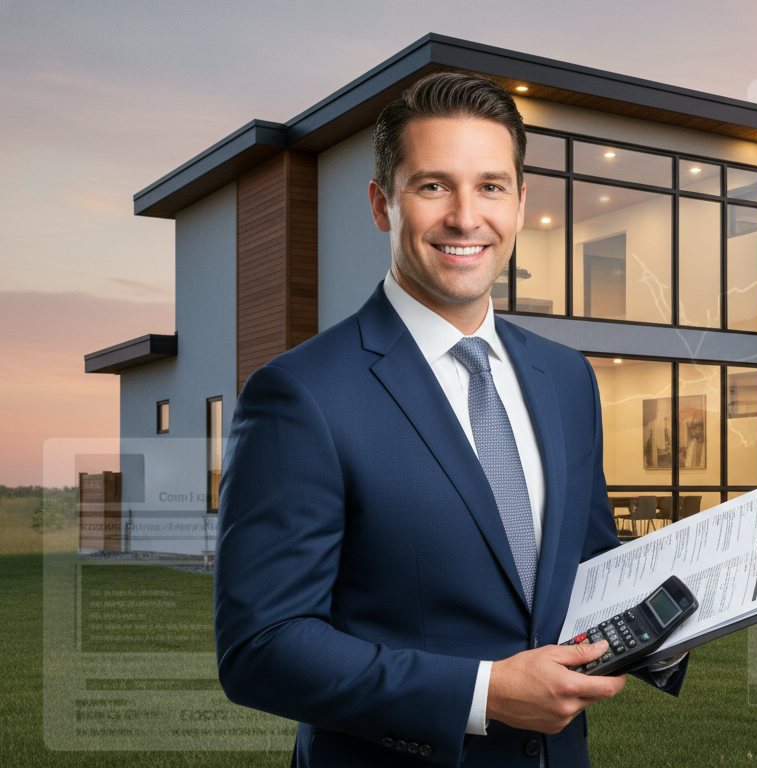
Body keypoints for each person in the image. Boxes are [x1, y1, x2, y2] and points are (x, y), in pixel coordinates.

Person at [214, 72, 686, 768]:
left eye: (491, 186)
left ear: (521, 204)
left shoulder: (566, 378)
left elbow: (584, 567)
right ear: (383, 204)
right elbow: (261, 648)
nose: (467, 217)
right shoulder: (301, 394)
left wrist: (674, 620)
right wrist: (483, 692)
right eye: (434, 186)